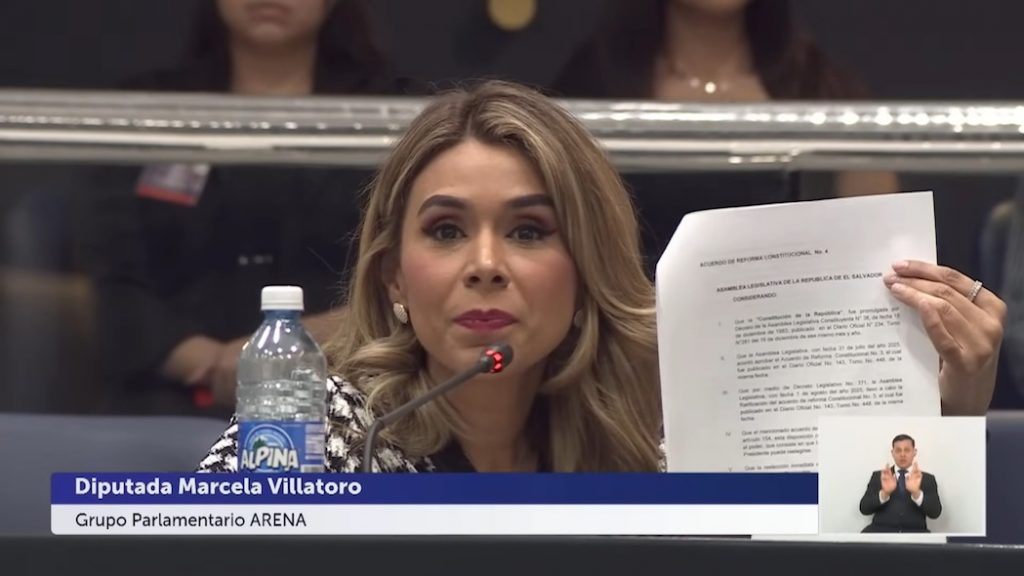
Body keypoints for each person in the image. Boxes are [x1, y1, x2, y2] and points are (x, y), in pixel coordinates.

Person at [197, 80, 1005, 473]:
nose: (486, 266)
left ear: (585, 269)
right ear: (395, 282)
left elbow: (874, 536)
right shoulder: (323, 432)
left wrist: (953, 410)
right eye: (446, 231)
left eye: (528, 231)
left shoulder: (651, 446)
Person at [85, 0, 407, 416]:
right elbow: (114, 278)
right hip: (169, 397)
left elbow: (405, 280)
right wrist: (210, 363)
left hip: (345, 387)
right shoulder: (149, 110)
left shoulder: (393, 115)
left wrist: (285, 351)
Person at [550, 0, 899, 272]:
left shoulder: (822, 90)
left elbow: (880, 251)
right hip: (635, 334)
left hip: (782, 329)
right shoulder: (591, 92)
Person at [859, 434, 942, 533]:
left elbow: (935, 513)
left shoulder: (927, 479)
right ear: (892, 453)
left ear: (914, 452)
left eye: (907, 450)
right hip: (881, 532)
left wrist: (917, 493)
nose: (902, 454)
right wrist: (884, 493)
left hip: (915, 533)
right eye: (898, 450)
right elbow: (864, 509)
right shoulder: (880, 476)